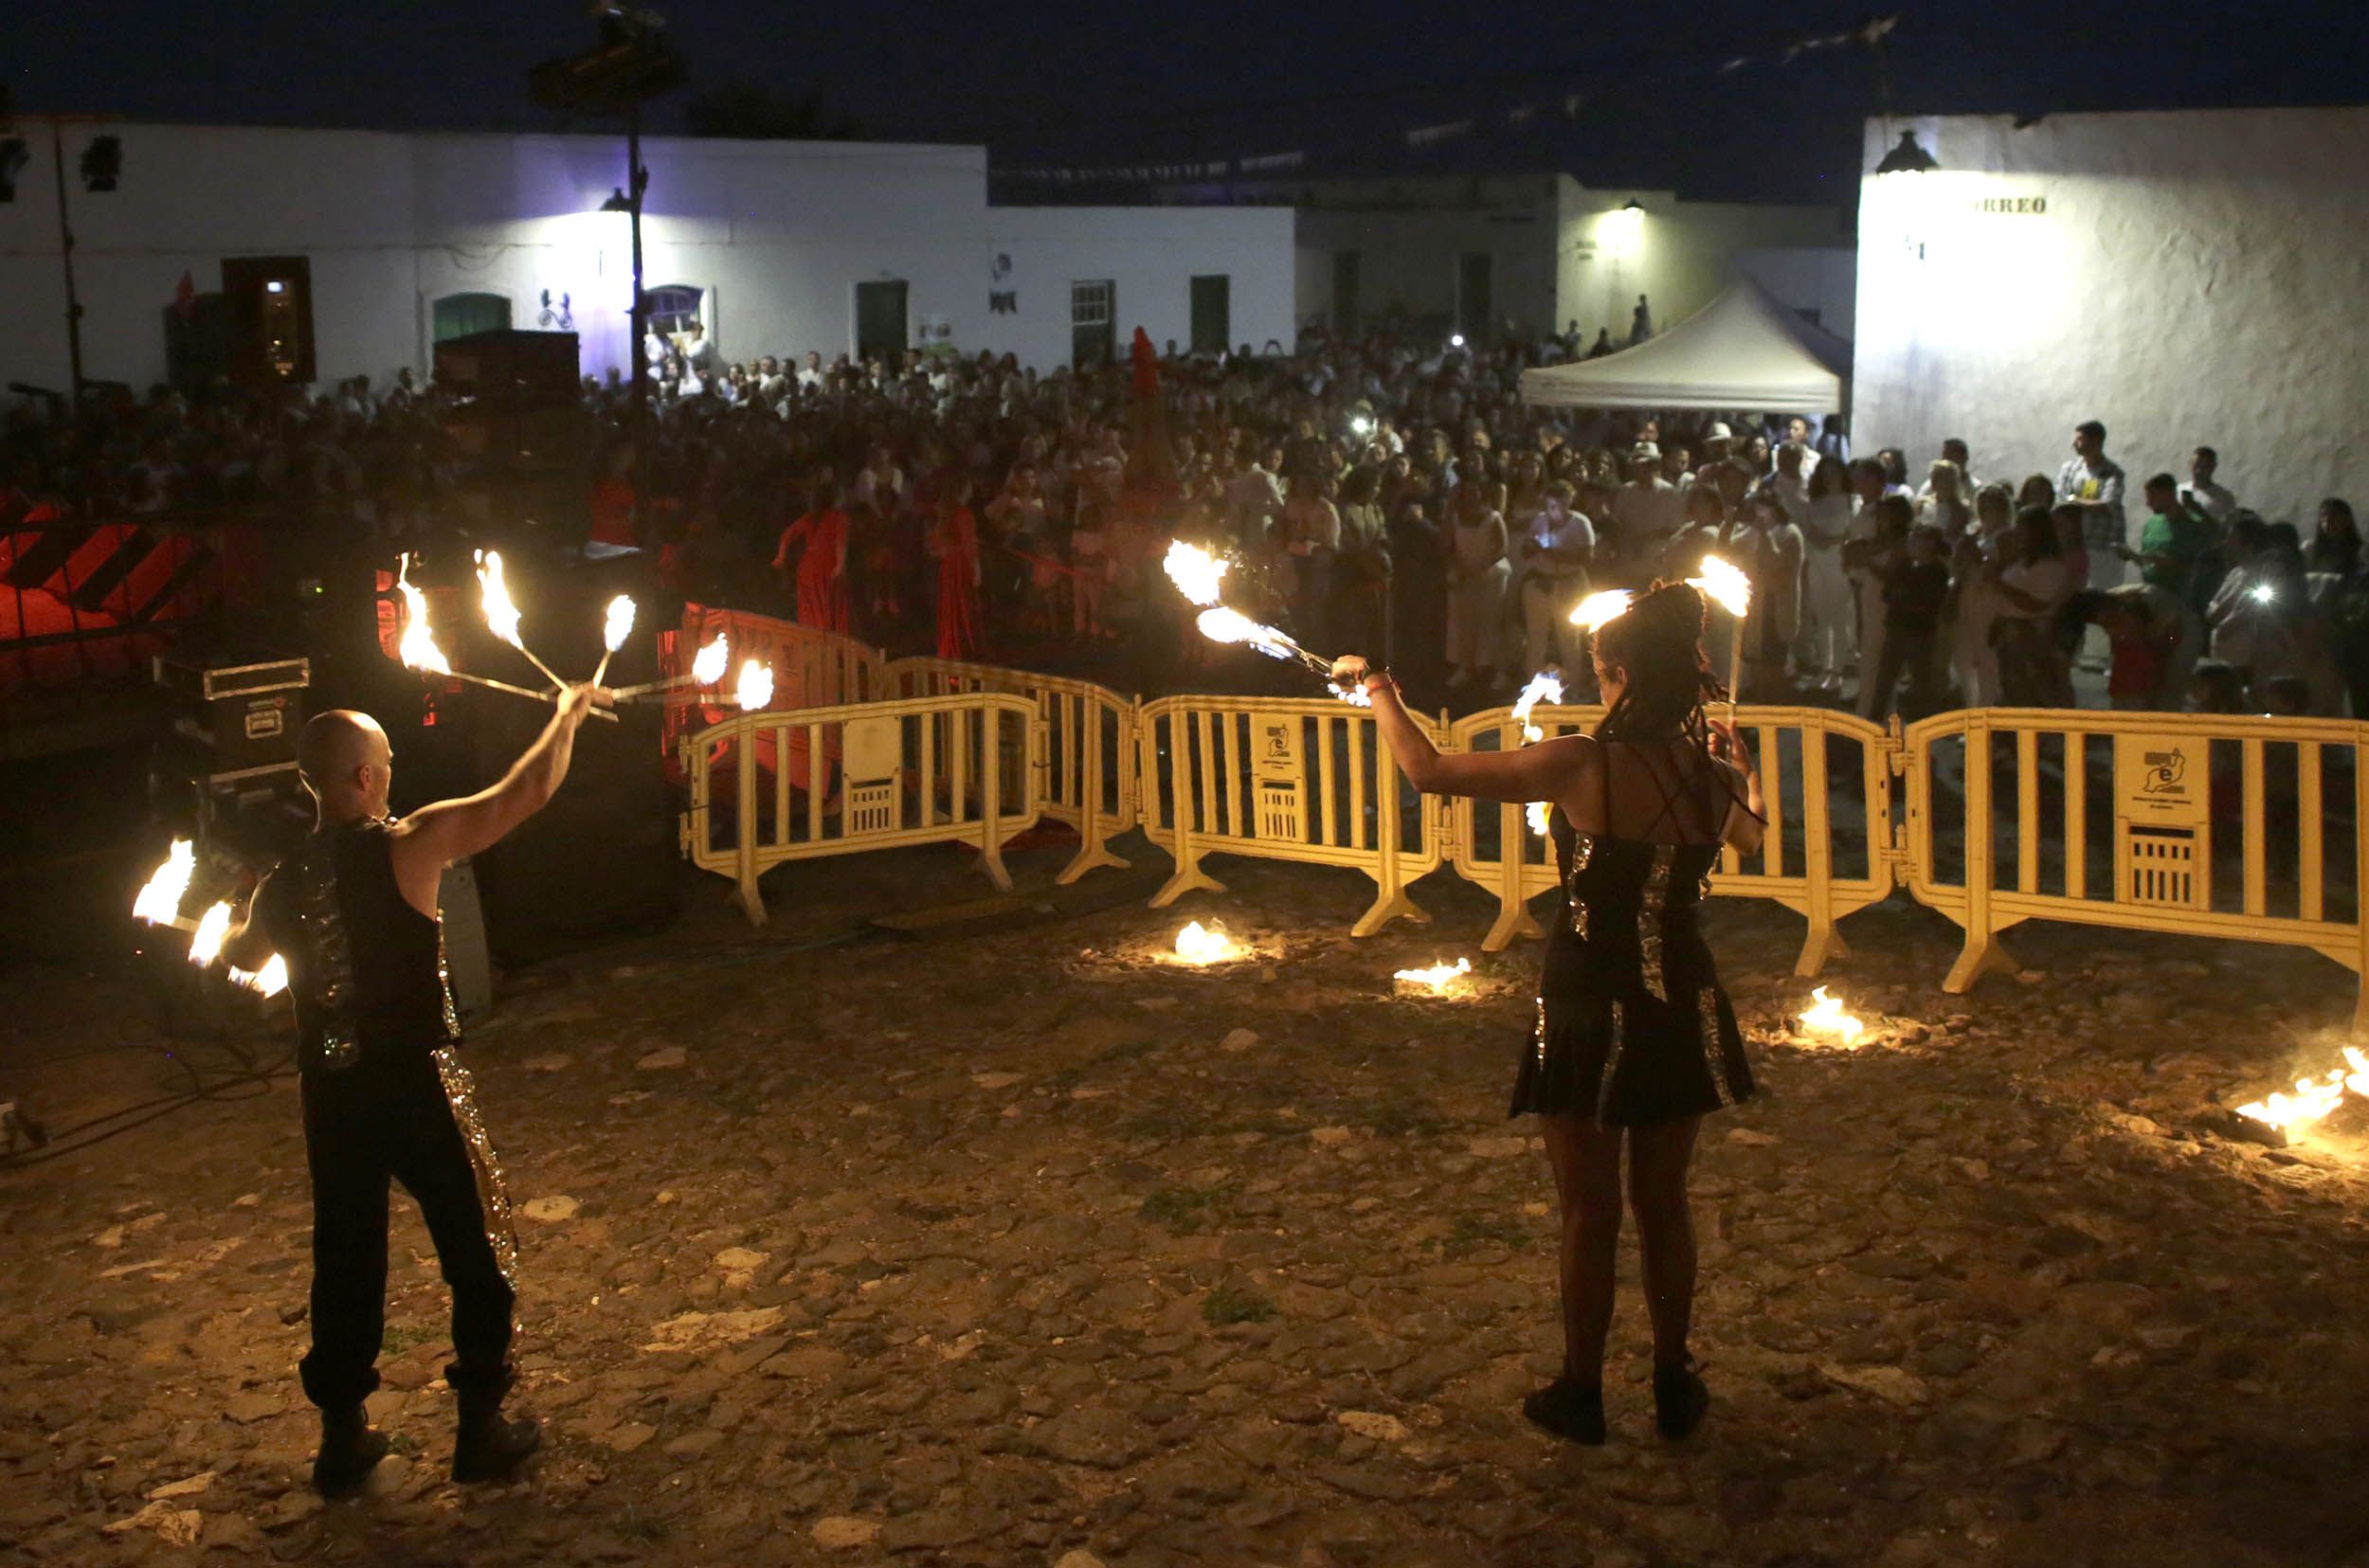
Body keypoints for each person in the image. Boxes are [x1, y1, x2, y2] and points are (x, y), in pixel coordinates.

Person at [1329, 581, 1763, 1446]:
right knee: (1665, 1203)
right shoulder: (1709, 776)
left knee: (1589, 1210)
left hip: (1588, 998)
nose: (1598, 687)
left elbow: (1429, 772)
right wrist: (1742, 768)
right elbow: (1752, 838)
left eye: (1601, 673)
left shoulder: (1581, 763)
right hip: (1682, 997)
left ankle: (1582, 1390)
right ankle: (1673, 1381)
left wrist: (1378, 689)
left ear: (1624, 674)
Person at [219, 692, 609, 1493]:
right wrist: (567, 716)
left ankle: (342, 1441)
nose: (392, 777)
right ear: (365, 776)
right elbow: (524, 793)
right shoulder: (410, 843)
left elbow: (242, 957)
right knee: (475, 1242)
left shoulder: (280, 885)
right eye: (387, 765)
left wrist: (227, 923)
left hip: (331, 1094)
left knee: (346, 1255)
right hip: (411, 1082)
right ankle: (480, 1427)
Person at [2060, 584, 2199, 711]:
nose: (2111, 628)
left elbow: (2172, 637)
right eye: (2105, 625)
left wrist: (2163, 647)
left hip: (2175, 633)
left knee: (2171, 685)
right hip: (2146, 651)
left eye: (2111, 620)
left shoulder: (2156, 607)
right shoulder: (2108, 612)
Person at [1989, 506, 2076, 706]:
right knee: (2010, 690)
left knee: (2033, 692)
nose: (2016, 531)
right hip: (2008, 636)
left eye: (2022, 527)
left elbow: (2036, 604)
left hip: (2032, 637)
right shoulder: (2020, 562)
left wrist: (2000, 585)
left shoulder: (2050, 567)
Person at [1865, 525, 1951, 720]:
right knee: (1885, 679)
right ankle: (1875, 721)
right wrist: (1902, 595)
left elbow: (1922, 602)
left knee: (1921, 682)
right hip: (1896, 628)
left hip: (1920, 633)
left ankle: (1923, 723)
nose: (1910, 543)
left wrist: (1903, 596)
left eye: (1916, 539)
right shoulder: (1906, 565)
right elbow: (1888, 593)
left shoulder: (1937, 571)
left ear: (1929, 544)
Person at [1519, 480, 1596, 674]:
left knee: (1568, 638)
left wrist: (1550, 553)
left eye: (1561, 501)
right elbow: (1525, 551)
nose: (1555, 508)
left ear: (1569, 500)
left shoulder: (1580, 523)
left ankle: (1574, 684)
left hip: (1569, 584)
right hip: (1539, 583)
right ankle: (1532, 683)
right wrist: (1531, 548)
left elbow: (1586, 557)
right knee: (1536, 637)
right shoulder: (1539, 520)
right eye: (1551, 503)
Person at [2056, 421, 2128, 586]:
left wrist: (2075, 500)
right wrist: (2080, 503)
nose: (2074, 444)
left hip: (2104, 547)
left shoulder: (2113, 472)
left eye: (2080, 439)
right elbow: (2062, 501)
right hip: (2074, 546)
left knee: (2103, 593)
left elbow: (2107, 505)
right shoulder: (2069, 469)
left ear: (2096, 441)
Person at [2179, 446, 2237, 525]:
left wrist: (2196, 509)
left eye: (2205, 466)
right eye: (2197, 465)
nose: (2199, 470)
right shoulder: (2177, 490)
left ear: (2213, 467)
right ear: (2190, 464)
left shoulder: (2224, 497)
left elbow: (2225, 529)